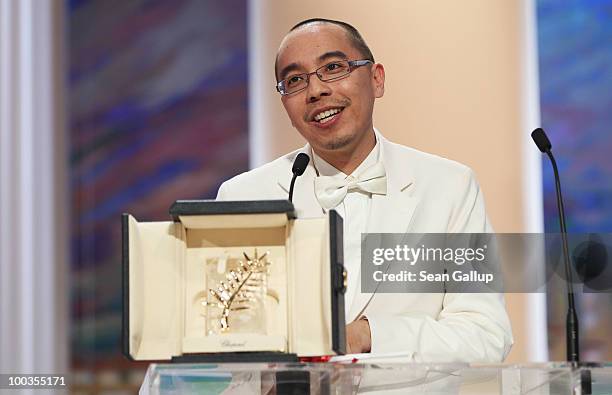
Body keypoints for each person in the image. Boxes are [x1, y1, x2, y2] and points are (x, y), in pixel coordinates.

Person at [216, 18, 513, 362]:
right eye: (295, 80)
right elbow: (225, 340)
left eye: (333, 67)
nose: (316, 91)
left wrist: (369, 335)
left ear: (377, 79)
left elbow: (486, 336)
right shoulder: (245, 196)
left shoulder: (448, 187)